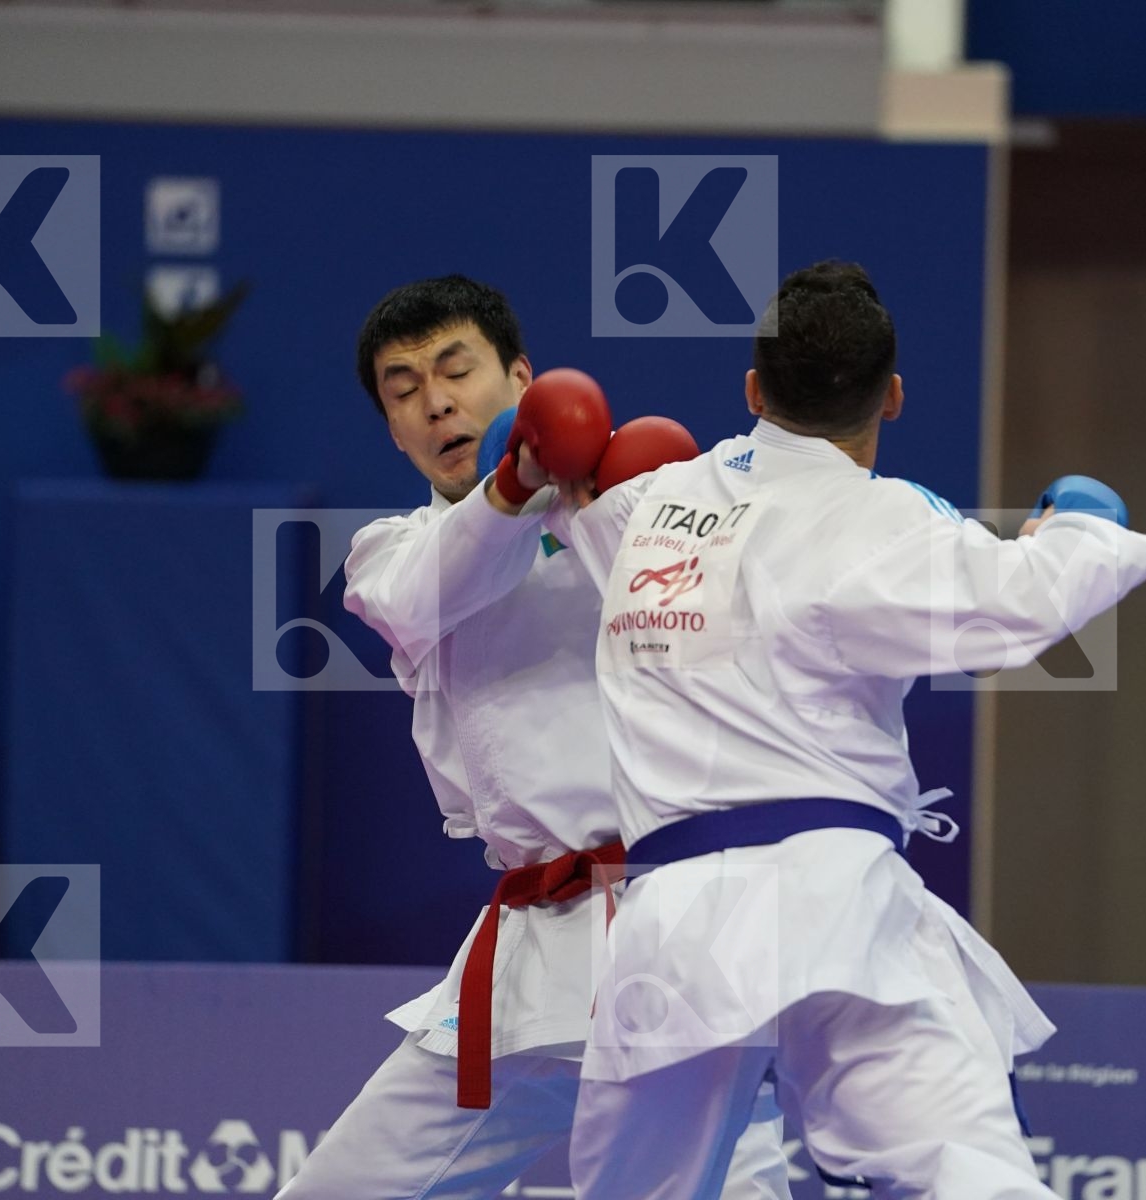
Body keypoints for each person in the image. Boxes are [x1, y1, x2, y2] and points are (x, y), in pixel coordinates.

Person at [512, 261, 1146, 1199]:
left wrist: (537, 468)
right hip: (840, 913)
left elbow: (562, 511)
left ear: (753, 390)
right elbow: (1018, 609)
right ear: (893, 396)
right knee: (965, 1173)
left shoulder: (641, 511)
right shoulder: (886, 522)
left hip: (673, 932)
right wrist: (1081, 524)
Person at [276, 275, 788, 1200]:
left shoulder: (639, 511)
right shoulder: (391, 554)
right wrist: (516, 483)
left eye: (455, 370)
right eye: (403, 391)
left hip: (679, 929)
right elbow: (432, 591)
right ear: (392, 431)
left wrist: (625, 506)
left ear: (520, 378)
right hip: (532, 951)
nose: (435, 403)